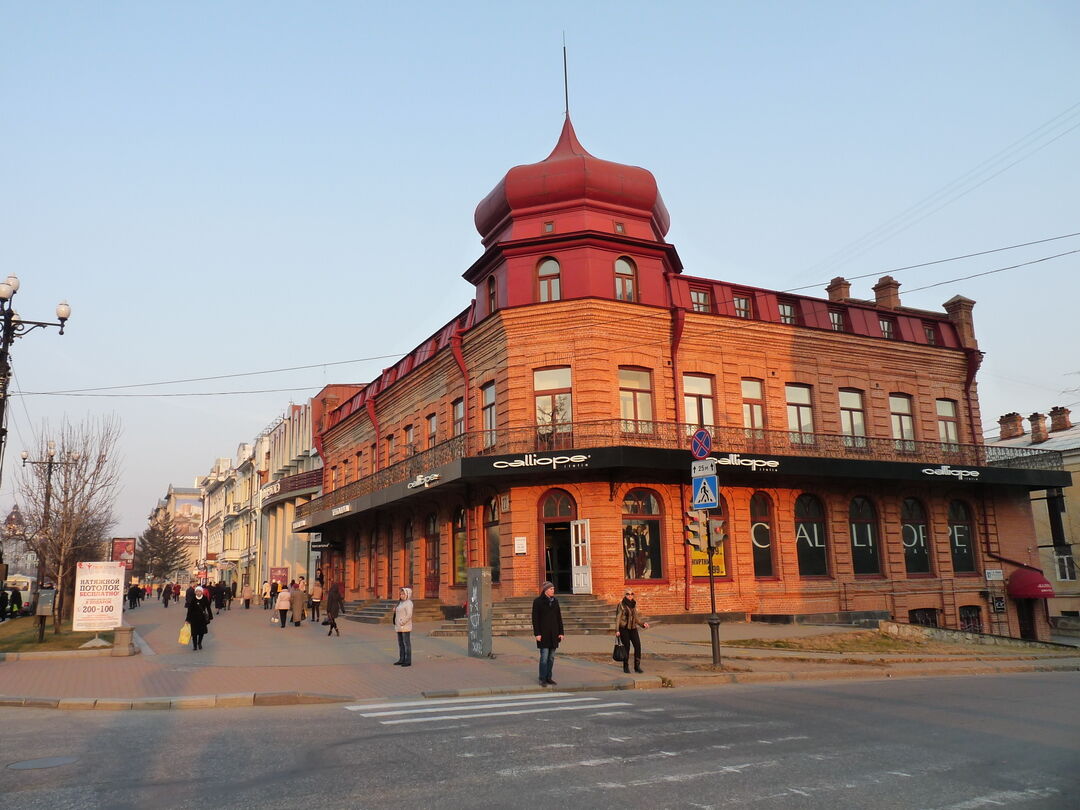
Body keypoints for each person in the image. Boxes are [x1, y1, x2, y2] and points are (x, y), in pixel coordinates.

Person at [531, 581, 564, 687]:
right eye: (551, 589)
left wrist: (561, 632)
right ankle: (542, 678)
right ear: (545, 590)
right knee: (544, 657)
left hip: (554, 634)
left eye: (553, 589)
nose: (553, 591)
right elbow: (535, 619)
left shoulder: (555, 601)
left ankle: (549, 677)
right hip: (543, 634)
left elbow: (559, 617)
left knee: (551, 657)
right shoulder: (538, 602)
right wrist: (537, 634)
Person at [615, 588, 649, 674]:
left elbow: (636, 618)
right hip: (624, 629)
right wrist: (617, 630)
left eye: (631, 594)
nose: (630, 596)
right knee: (626, 647)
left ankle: (637, 666)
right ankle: (625, 666)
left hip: (633, 628)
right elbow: (618, 618)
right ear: (625, 595)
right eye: (628, 594)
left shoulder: (633, 604)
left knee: (638, 646)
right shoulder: (621, 605)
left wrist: (642, 624)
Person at [185, 586, 213, 651]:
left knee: (201, 632)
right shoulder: (193, 599)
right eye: (197, 591)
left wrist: (210, 616)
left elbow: (208, 608)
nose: (198, 593)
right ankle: (195, 646)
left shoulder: (205, 598)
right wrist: (187, 619)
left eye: (199, 591)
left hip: (202, 618)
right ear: (195, 592)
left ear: (202, 592)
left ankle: (199, 643)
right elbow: (190, 610)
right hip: (194, 618)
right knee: (194, 633)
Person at [393, 587, 414, 666]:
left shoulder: (409, 603)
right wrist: (395, 609)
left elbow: (409, 615)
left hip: (405, 626)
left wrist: (402, 622)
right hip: (399, 626)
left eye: (403, 594)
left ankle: (408, 661)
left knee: (406, 643)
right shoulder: (400, 603)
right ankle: (401, 659)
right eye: (401, 594)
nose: (401, 595)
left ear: (407, 594)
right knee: (400, 643)